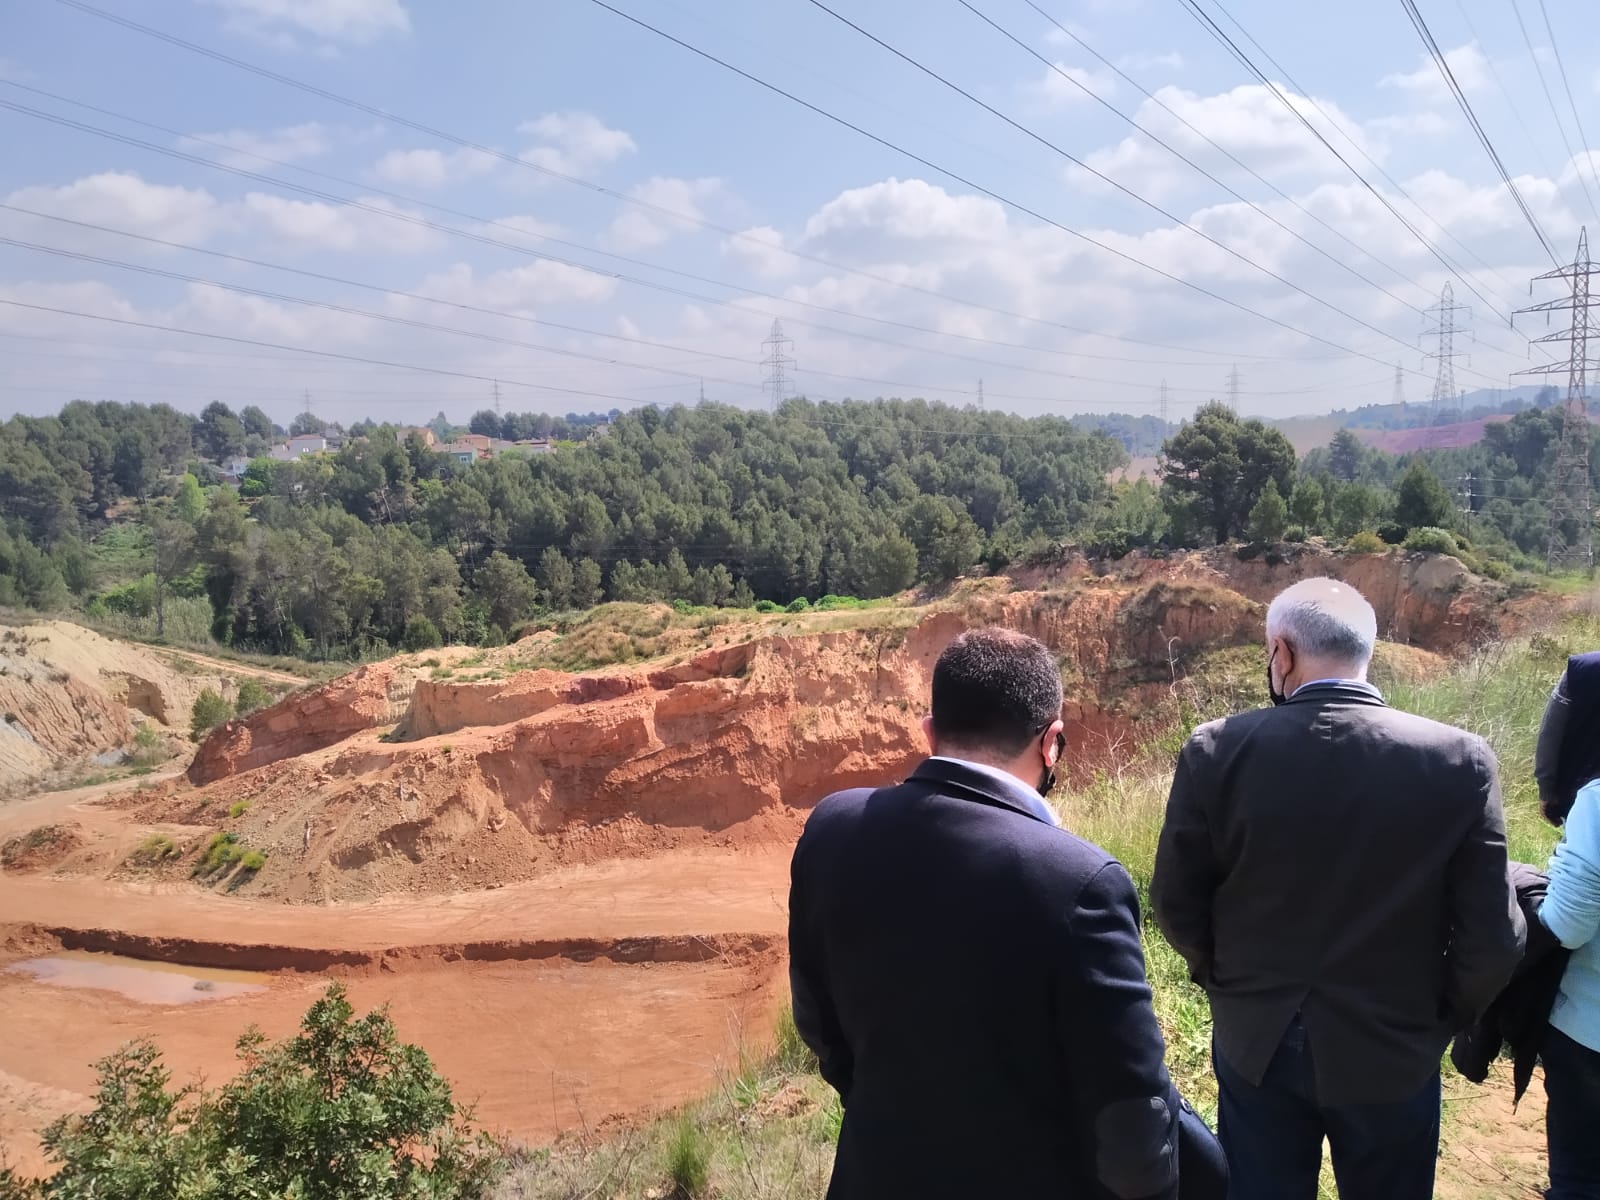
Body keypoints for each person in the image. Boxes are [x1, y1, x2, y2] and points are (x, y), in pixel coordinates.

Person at [788, 627, 1226, 1200]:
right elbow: (1130, 1112)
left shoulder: (831, 827)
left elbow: (818, 1023)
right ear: (1052, 743)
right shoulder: (1080, 879)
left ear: (928, 731)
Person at [1150, 576, 1524, 1200]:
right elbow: (1494, 934)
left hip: (1256, 1040)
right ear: (1366, 651)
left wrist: (1228, 983)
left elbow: (1175, 902)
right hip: (1394, 1043)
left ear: (1283, 653)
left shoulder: (1216, 751)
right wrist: (1441, 1017)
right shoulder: (1459, 760)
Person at [1535, 654, 1600, 1198]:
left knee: (1580, 1174)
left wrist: (1526, 890)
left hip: (1590, 1029)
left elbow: (1569, 925)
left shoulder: (1598, 802)